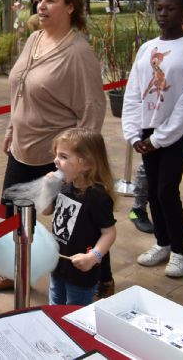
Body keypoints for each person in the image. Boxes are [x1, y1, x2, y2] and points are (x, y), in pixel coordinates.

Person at [0, 0, 107, 293]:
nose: (41, 5)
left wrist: (79, 161)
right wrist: (12, 128)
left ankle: (102, 278)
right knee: (13, 217)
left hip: (59, 159)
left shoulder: (78, 52)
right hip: (22, 150)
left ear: (70, 6)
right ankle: (14, 273)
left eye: (51, 0)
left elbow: (92, 108)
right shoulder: (34, 38)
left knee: (79, 225)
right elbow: (20, 89)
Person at [122, 0, 183, 278]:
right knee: (152, 190)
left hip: (176, 131)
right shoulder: (147, 48)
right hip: (147, 130)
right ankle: (162, 243)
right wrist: (134, 134)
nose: (164, 14)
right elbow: (133, 92)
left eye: (171, 9)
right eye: (160, 9)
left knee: (167, 190)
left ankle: (180, 252)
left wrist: (159, 139)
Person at [44, 128, 117, 306]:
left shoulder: (97, 197)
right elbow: (47, 211)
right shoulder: (63, 185)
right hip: (58, 264)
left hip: (81, 271)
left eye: (63, 156)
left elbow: (109, 233)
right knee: (55, 304)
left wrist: (93, 257)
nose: (56, 160)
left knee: (75, 312)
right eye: (56, 155)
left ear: (86, 164)